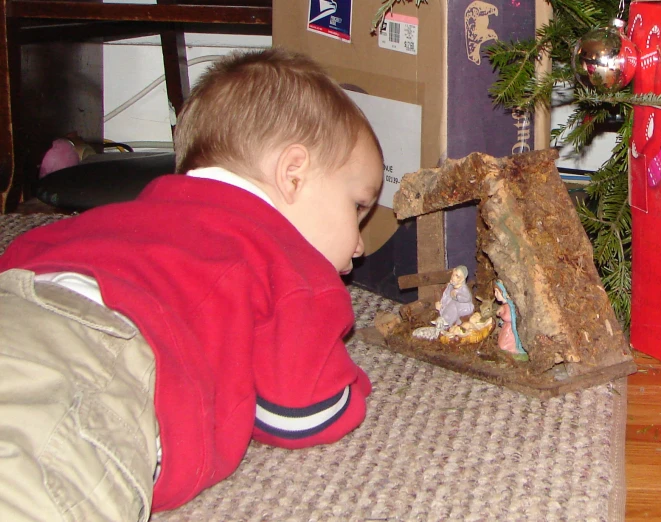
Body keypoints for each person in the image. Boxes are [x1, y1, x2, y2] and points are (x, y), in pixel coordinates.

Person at [0, 48, 384, 520]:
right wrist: (353, 387)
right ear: (293, 174)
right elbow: (303, 414)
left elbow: (22, 256)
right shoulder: (289, 265)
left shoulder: (118, 217)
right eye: (358, 208)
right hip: (99, 357)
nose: (361, 245)